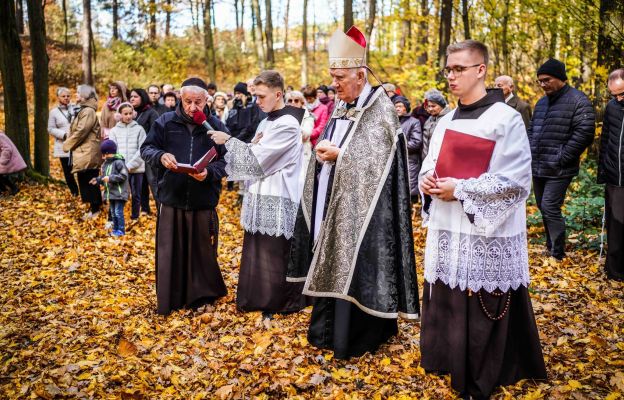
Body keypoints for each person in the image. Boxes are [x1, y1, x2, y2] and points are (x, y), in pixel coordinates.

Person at [418, 40, 546, 399]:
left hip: (483, 228)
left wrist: (460, 188)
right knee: (449, 287)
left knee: (482, 295)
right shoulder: (445, 120)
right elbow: (431, 161)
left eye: (459, 69)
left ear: (481, 70)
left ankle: (487, 368)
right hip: (447, 222)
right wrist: (427, 180)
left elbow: (515, 179)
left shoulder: (506, 118)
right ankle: (447, 357)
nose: (452, 76)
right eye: (448, 69)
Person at [287, 26, 420, 360]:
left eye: (340, 77)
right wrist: (322, 154)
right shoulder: (341, 105)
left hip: (368, 212)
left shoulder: (381, 109)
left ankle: (358, 336)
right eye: (332, 77)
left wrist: (341, 156)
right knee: (330, 254)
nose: (334, 84)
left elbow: (381, 158)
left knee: (359, 264)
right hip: (333, 199)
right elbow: (334, 140)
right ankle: (326, 331)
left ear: (361, 75)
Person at [211, 70, 307, 317]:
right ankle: (255, 297)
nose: (258, 101)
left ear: (278, 94)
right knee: (258, 246)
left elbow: (258, 161)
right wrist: (251, 146)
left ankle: (276, 301)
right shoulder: (266, 121)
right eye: (256, 96)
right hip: (260, 192)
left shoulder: (288, 123)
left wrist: (229, 141)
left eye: (262, 96)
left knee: (274, 251)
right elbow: (255, 151)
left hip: (278, 193)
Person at [140, 78, 229, 315]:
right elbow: (146, 149)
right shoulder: (165, 122)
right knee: (171, 251)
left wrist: (209, 172)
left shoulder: (216, 126)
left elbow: (228, 162)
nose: (192, 107)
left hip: (203, 199)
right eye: (188, 101)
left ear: (206, 100)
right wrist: (161, 156)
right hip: (171, 197)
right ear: (181, 99)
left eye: (197, 102)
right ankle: (173, 297)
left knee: (202, 251)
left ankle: (201, 297)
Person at [529, 58, 595, 260]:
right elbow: (532, 130)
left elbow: (585, 132)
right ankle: (550, 246)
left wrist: (562, 156)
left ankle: (557, 253)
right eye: (539, 81)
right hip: (539, 165)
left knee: (550, 206)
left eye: (546, 80)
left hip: (559, 168)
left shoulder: (578, 100)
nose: (542, 84)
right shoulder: (541, 103)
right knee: (542, 207)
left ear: (559, 78)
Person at [598, 68, 624, 281]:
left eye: (622, 93)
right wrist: (603, 172)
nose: (618, 98)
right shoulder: (612, 108)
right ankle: (614, 270)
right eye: (614, 94)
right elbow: (605, 139)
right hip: (615, 178)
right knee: (616, 225)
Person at [63, 85, 103, 219]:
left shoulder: (88, 111)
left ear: (85, 95)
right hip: (83, 151)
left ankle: (96, 209)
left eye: (78, 93)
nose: (76, 95)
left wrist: (67, 144)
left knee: (90, 180)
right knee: (84, 180)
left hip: (88, 151)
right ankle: (93, 209)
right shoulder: (83, 110)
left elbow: (81, 131)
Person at [108, 102, 147, 220]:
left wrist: (129, 165)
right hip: (120, 169)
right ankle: (112, 218)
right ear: (120, 115)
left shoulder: (139, 129)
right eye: (125, 114)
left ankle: (135, 217)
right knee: (117, 193)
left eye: (130, 113)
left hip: (136, 168)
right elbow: (113, 149)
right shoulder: (114, 131)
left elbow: (142, 149)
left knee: (136, 194)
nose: (128, 116)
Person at [130, 88, 160, 215]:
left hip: (148, 153)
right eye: (131, 96)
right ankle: (145, 209)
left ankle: (161, 210)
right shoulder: (129, 113)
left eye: (135, 96)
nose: (132, 99)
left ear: (142, 97)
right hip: (135, 153)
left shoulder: (151, 113)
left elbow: (157, 133)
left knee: (153, 181)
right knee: (140, 183)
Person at [90, 140, 129, 236]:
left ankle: (121, 230)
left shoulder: (119, 162)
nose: (102, 157)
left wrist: (110, 178)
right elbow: (104, 177)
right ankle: (115, 230)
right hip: (110, 193)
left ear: (108, 153)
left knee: (118, 212)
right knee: (113, 212)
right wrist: (98, 180)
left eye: (103, 154)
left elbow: (123, 176)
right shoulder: (106, 164)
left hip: (119, 193)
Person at [48, 87, 79, 196]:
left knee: (80, 169)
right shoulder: (53, 112)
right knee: (68, 172)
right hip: (63, 146)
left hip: (78, 145)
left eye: (68, 96)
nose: (66, 98)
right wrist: (64, 135)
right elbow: (50, 129)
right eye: (63, 96)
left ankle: (84, 191)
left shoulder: (76, 108)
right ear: (58, 98)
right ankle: (75, 192)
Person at [393, 95, 422, 202]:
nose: (397, 108)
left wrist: (397, 146)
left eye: (400, 106)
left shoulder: (414, 122)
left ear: (406, 108)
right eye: (395, 106)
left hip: (409, 162)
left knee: (409, 195)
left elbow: (416, 142)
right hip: (395, 161)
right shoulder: (392, 122)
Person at [287, 90, 315, 187]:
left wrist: (294, 122)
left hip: (302, 153)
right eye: (290, 100)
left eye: (296, 100)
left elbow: (306, 135)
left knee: (301, 184)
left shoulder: (308, 117)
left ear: (302, 103)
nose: (293, 103)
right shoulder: (284, 116)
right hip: (287, 154)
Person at [421, 89, 451, 160]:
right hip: (427, 161)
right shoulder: (429, 119)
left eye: (433, 106)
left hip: (441, 160)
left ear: (442, 105)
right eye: (429, 106)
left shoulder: (449, 118)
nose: (430, 109)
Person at [0, 131, 27, 196]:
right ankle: (4, 189)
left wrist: (2, 161)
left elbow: (7, 149)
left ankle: (13, 188)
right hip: (6, 160)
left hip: (8, 160)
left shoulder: (0, 136)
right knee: (1, 176)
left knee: (1, 176)